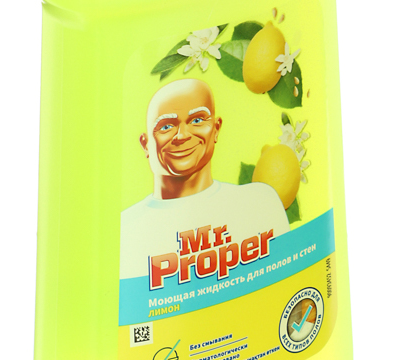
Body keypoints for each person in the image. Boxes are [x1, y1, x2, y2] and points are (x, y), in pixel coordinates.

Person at [119, 78, 289, 281]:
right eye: (166, 126)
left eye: (197, 120)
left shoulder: (260, 203)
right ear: (145, 144)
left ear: (216, 129)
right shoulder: (127, 230)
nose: (182, 135)